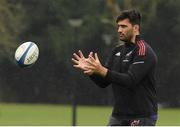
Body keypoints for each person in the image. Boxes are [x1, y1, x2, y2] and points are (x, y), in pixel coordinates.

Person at [71, 9, 158, 126]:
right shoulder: (117, 51)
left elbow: (130, 80)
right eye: (118, 26)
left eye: (123, 26)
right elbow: (104, 82)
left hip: (142, 116)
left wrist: (102, 70)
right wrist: (91, 71)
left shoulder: (143, 51)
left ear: (136, 28)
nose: (119, 30)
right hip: (118, 116)